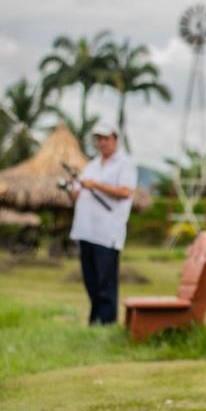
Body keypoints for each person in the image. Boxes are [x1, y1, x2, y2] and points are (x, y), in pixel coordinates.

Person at [69, 123, 137, 325]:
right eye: (98, 138)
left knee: (105, 281)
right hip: (85, 230)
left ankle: (107, 322)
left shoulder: (124, 165)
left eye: (105, 138)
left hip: (107, 233)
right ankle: (95, 319)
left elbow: (125, 192)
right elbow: (78, 194)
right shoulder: (91, 165)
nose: (101, 142)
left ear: (115, 139)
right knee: (90, 279)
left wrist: (95, 185)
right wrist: (75, 192)